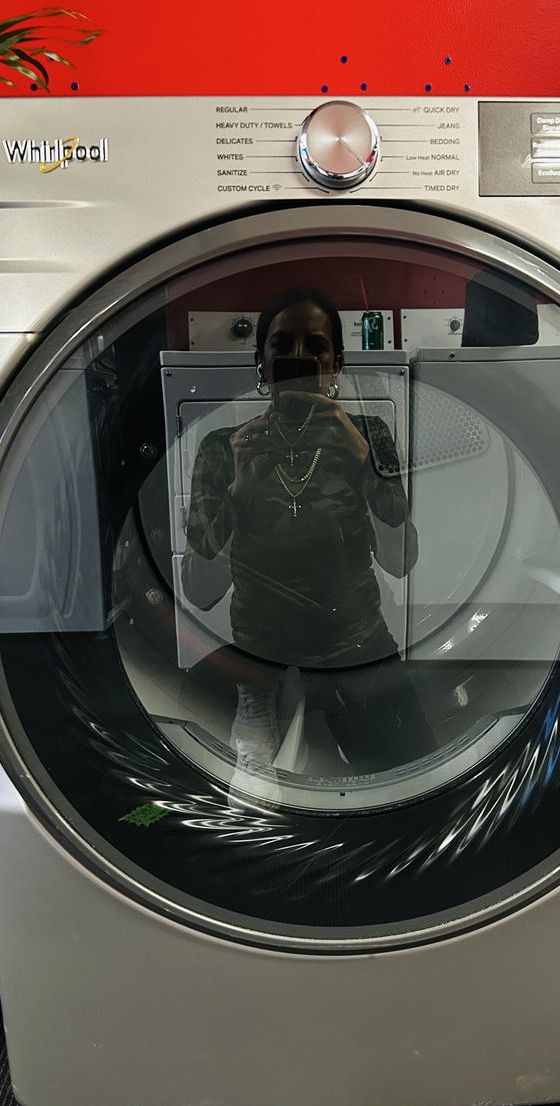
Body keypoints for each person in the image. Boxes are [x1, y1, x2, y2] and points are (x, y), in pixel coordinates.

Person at [182, 286, 433, 795]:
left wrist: (363, 463)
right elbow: (199, 589)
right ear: (261, 362)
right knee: (251, 809)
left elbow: (401, 560)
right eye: (283, 346)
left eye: (316, 347)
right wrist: (238, 496)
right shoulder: (225, 449)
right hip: (260, 663)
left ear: (337, 364)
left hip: (357, 643)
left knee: (416, 784)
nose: (300, 358)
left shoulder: (369, 436)